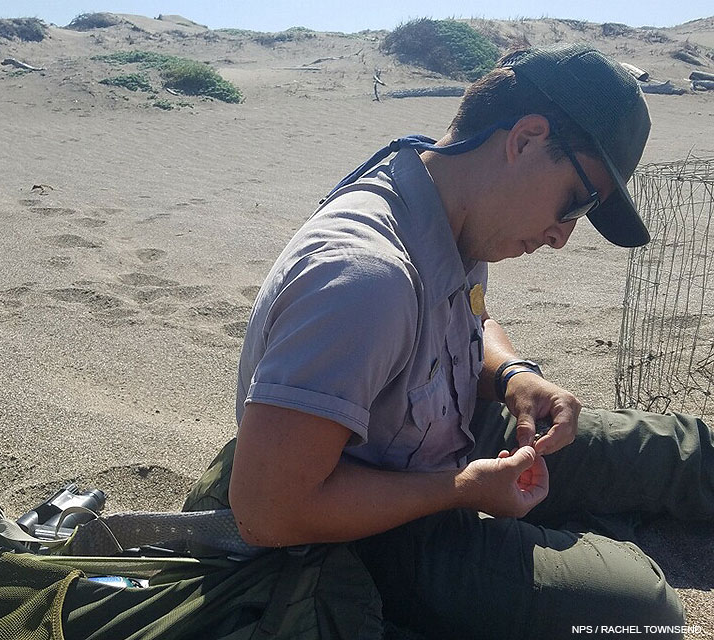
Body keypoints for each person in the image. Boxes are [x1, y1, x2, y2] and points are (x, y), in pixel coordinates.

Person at [189, 44, 714, 638]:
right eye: (575, 202)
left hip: (445, 434)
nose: (562, 235)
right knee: (645, 611)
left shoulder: (444, 197)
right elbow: (268, 512)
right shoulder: (363, 277)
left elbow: (464, 317)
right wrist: (462, 490)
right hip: (366, 532)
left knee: (678, 449)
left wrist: (513, 376)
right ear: (525, 139)